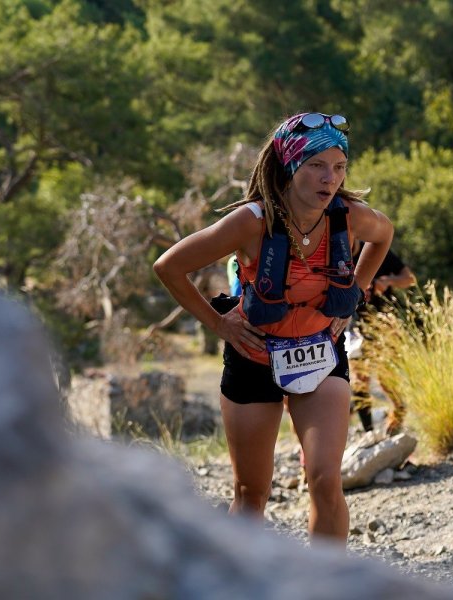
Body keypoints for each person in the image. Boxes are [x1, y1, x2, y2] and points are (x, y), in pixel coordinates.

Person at [154, 112, 393, 543]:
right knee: (251, 494)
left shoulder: (349, 216)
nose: (330, 179)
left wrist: (354, 292)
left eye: (339, 167)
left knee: (324, 479)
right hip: (253, 357)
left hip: (321, 350)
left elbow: (384, 234)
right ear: (289, 165)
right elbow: (169, 266)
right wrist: (219, 324)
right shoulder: (250, 222)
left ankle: (327, 586)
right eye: (316, 166)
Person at [349, 241, 416, 433]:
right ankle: (368, 432)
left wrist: (388, 282)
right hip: (354, 327)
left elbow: (409, 278)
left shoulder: (375, 250)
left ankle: (398, 414)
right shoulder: (335, 254)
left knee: (387, 379)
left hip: (384, 325)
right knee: (359, 379)